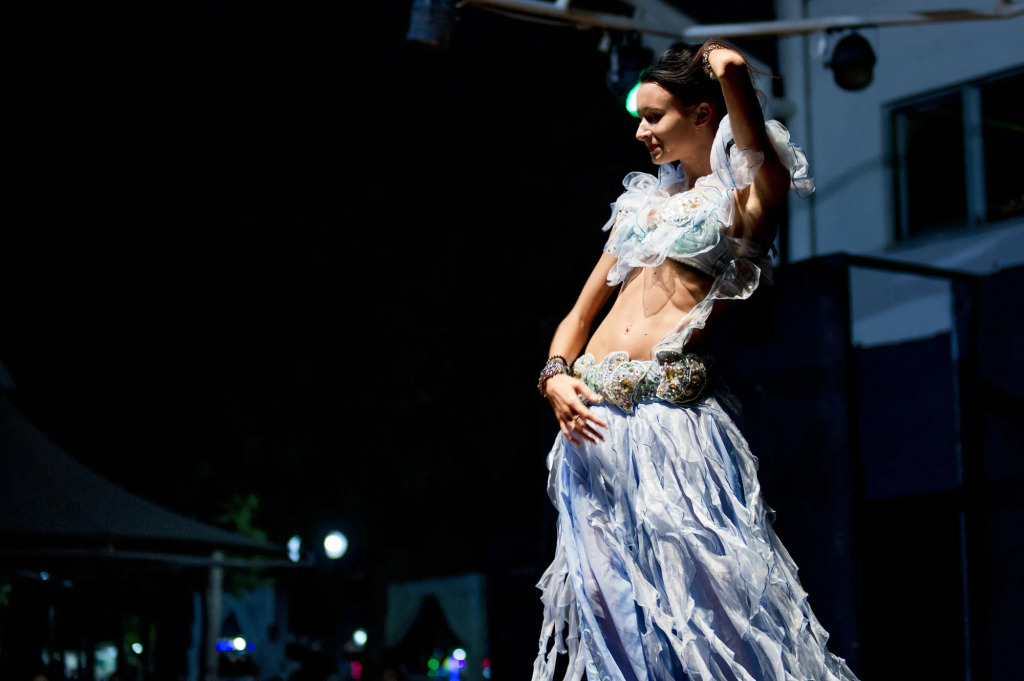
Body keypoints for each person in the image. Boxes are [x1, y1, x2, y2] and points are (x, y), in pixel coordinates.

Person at [531, 40, 859, 681]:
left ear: (704, 113)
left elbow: (741, 100)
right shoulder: (639, 206)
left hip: (670, 427)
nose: (641, 131)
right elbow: (576, 319)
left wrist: (722, 62)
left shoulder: (745, 199)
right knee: (605, 602)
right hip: (589, 423)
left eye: (655, 116)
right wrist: (554, 378)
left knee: (712, 605)